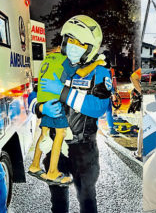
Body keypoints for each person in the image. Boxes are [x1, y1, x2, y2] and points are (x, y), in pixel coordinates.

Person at [30, 15, 112, 213]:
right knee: (57, 201)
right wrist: (40, 108)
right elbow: (34, 93)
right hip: (56, 145)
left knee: (87, 199)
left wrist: (63, 92)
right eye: (71, 41)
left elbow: (98, 106)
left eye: (80, 43)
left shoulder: (100, 72)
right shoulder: (58, 63)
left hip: (84, 148)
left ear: (91, 48)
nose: (74, 46)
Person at [28, 39, 106, 186]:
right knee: (60, 134)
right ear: (62, 47)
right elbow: (82, 73)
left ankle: (34, 166)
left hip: (44, 102)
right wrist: (96, 63)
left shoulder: (47, 59)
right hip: (55, 104)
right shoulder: (65, 60)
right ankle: (52, 172)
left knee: (44, 134)